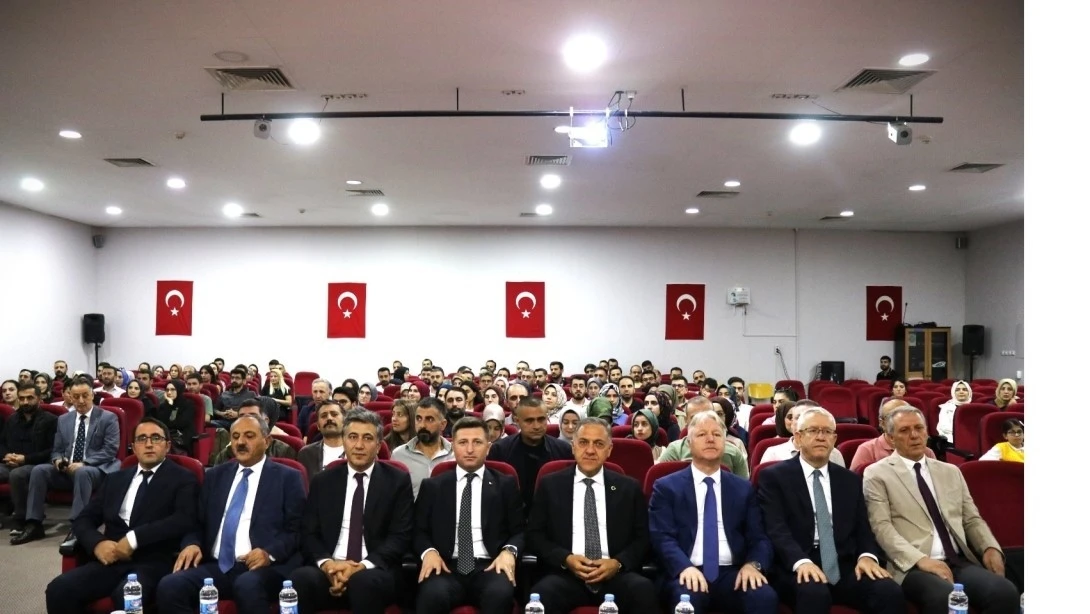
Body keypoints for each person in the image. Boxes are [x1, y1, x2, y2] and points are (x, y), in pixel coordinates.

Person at [862, 407, 1020, 614]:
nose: (914, 435)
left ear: (927, 432)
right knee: (943, 597)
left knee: (1005, 592)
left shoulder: (950, 471)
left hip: (957, 560)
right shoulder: (877, 474)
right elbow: (882, 528)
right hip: (913, 565)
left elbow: (971, 519)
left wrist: (989, 547)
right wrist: (921, 560)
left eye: (919, 428)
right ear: (891, 438)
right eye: (904, 430)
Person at [756, 408, 905, 614]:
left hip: (843, 563)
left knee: (888, 591)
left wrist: (867, 556)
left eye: (827, 432)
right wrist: (801, 562)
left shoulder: (850, 479)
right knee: (814, 594)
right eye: (813, 431)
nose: (821, 437)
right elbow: (776, 529)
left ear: (834, 439)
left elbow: (863, 527)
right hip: (796, 563)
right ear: (798, 438)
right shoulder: (774, 477)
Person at [45, 418, 199, 614]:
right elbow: (84, 519)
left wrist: (134, 539)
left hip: (153, 561)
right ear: (133, 447)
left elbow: (182, 520)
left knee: (127, 597)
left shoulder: (183, 478)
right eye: (142, 439)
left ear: (167, 446)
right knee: (59, 589)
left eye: (156, 438)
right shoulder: (115, 479)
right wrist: (97, 543)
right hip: (111, 559)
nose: (149, 444)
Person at [156, 414, 307, 614]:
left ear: (267, 441)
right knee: (169, 586)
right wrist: (192, 543)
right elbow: (197, 522)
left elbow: (296, 530)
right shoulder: (215, 476)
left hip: (264, 567)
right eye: (235, 436)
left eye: (249, 436)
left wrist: (268, 553)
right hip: (217, 565)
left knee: (247, 585)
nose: (240, 442)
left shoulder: (288, 477)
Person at [648, 410, 777, 614]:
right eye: (702, 434)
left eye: (717, 434)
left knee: (763, 597)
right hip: (686, 571)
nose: (710, 439)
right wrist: (684, 567)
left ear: (725, 442)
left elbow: (759, 537)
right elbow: (662, 537)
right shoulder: (667, 487)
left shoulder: (743, 488)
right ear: (688, 443)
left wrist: (754, 564)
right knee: (687, 601)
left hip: (732, 572)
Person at [527, 417, 657, 614]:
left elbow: (643, 538)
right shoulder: (550, 485)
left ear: (609, 450)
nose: (590, 450)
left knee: (644, 590)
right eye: (583, 442)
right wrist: (565, 558)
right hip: (566, 574)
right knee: (540, 597)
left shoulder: (628, 488)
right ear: (573, 447)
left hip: (615, 575)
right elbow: (535, 535)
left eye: (598, 444)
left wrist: (618, 563)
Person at [290, 410, 414, 614]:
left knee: (363, 583)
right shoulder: (323, 481)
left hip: (374, 568)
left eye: (367, 438)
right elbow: (309, 533)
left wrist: (360, 566)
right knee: (300, 579)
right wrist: (328, 565)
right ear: (344, 441)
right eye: (353, 437)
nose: (359, 445)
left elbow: (400, 537)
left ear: (378, 445)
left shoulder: (397, 481)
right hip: (330, 566)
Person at [414, 416, 524, 614]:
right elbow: (417, 530)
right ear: (453, 447)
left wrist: (509, 551)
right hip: (445, 565)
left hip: (490, 565)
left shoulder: (505, 485)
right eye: (463, 442)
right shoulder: (433, 486)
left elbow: (520, 530)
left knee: (499, 594)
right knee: (432, 595)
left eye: (477, 442)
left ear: (488, 448)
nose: (470, 449)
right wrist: (428, 552)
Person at [12, 380, 121, 546]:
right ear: (70, 397)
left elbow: (110, 450)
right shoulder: (64, 419)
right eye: (76, 396)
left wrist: (84, 463)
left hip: (96, 469)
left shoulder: (108, 417)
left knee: (82, 472)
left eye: (85, 395)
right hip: (68, 468)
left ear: (92, 395)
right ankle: (34, 523)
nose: (81, 400)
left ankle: (79, 527)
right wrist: (57, 460)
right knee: (39, 470)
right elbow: (56, 449)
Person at [487, 397, 574, 510]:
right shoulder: (499, 450)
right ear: (517, 421)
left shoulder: (564, 450)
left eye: (541, 419)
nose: (536, 426)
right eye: (529, 421)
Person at [0, 384, 58, 524]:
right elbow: (2, 443)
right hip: (11, 462)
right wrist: (6, 456)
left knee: (17, 474)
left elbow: (53, 449)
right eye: (22, 398)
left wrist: (25, 459)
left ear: (39, 398)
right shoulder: (12, 419)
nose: (25, 402)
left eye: (29, 398)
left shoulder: (50, 420)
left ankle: (22, 518)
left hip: (37, 463)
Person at [658, 397, 748, 478]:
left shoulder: (733, 452)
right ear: (686, 420)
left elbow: (742, 486)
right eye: (694, 417)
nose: (702, 421)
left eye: (707, 416)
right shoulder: (675, 450)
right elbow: (661, 482)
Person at [391, 397, 454, 498]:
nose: (422, 425)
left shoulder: (455, 454)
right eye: (419, 419)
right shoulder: (398, 455)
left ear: (443, 424)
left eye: (429, 419)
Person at [850, 400, 935, 471]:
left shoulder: (927, 452)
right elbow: (855, 483)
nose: (914, 435)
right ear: (882, 423)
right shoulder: (867, 450)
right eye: (892, 416)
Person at [210, 400, 297, 466]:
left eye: (253, 416)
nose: (247, 420)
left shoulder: (283, 451)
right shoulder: (225, 455)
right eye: (241, 416)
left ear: (266, 421)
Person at [761, 402, 847, 467]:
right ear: (791, 423)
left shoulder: (834, 454)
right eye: (798, 417)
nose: (803, 422)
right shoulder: (773, 454)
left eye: (810, 418)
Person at [297, 400, 345, 478]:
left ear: (345, 421)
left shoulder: (358, 450)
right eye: (324, 416)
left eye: (334, 414)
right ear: (318, 425)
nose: (329, 418)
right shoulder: (306, 454)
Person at [152, 379, 196, 455]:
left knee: (163, 442)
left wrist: (167, 424)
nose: (169, 392)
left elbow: (181, 423)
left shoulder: (188, 404)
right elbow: (160, 423)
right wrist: (169, 405)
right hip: (166, 434)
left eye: (172, 390)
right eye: (167, 390)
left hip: (181, 437)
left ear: (179, 390)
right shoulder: (164, 406)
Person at [936, 381, 972, 445]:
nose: (961, 392)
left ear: (969, 392)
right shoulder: (946, 408)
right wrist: (962, 432)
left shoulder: (973, 408)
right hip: (950, 440)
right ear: (953, 392)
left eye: (964, 389)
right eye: (957, 390)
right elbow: (944, 427)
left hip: (971, 439)